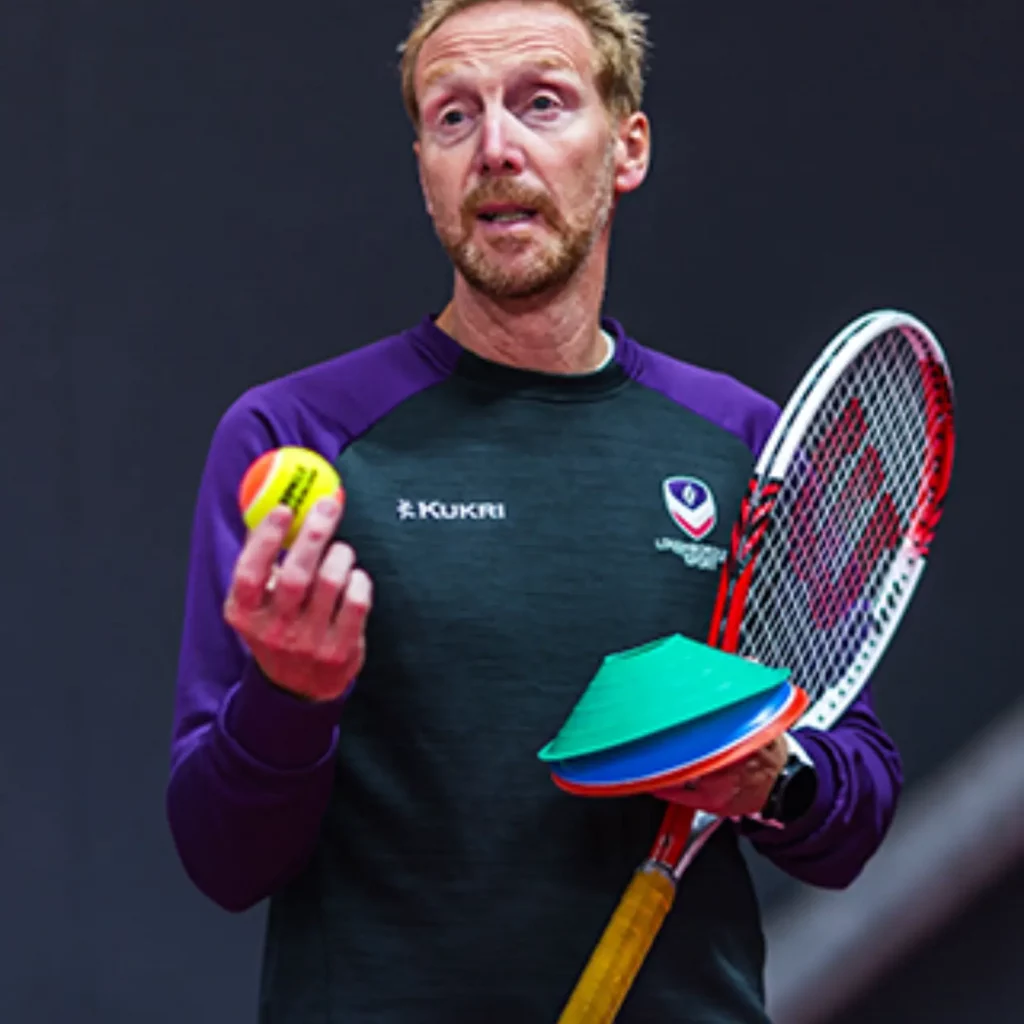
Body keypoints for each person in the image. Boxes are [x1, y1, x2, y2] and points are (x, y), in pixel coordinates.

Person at [166, 1, 903, 1020]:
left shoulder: (744, 443)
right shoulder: (296, 436)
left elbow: (854, 808)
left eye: (542, 103)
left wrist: (776, 778)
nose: (496, 148)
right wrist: (290, 696)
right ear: (423, 165)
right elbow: (222, 858)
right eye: (454, 115)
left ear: (627, 148)